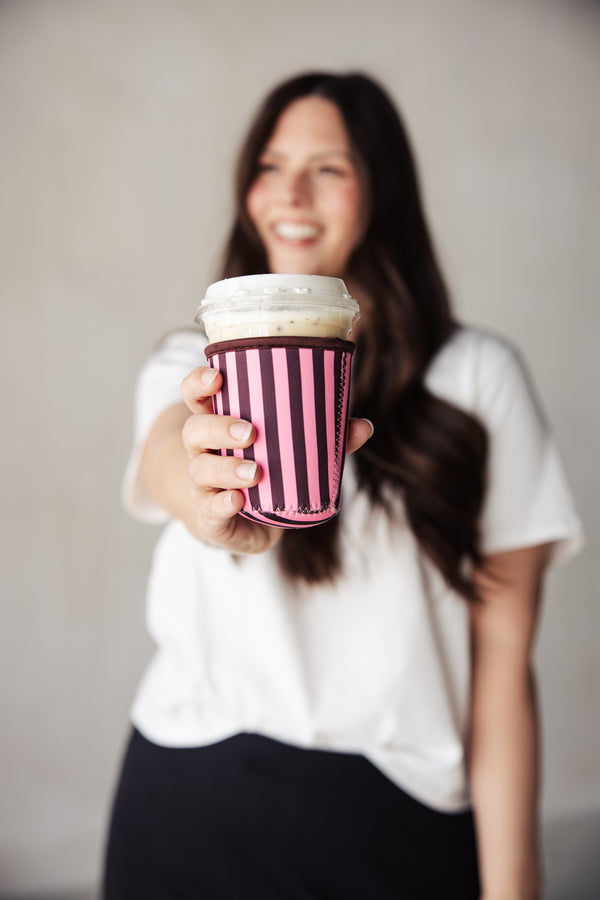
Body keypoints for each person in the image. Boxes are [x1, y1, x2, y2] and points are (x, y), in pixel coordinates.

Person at [102, 72, 583, 899]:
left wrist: (514, 888)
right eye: (269, 164)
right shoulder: (191, 367)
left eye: (328, 167)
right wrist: (210, 503)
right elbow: (166, 459)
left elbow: (502, 663)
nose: (291, 191)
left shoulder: (477, 379)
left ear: (379, 193)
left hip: (393, 815)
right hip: (188, 794)